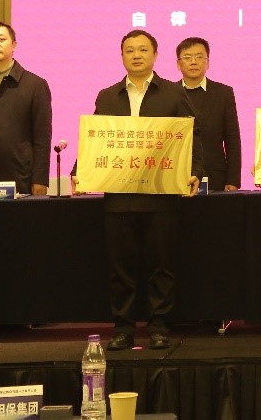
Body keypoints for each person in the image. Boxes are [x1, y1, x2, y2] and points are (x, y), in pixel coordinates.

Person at [73, 30, 202, 351]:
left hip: (161, 194)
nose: (136, 55)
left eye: (143, 50)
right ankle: (123, 328)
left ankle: (159, 325)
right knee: (121, 267)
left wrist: (195, 171)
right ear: (122, 56)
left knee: (162, 264)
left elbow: (192, 136)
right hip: (119, 197)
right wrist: (79, 172)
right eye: (129, 50)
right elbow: (95, 138)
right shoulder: (107, 96)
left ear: (155, 55)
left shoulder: (173, 93)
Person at [0, 21, 53, 196]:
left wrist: (40, 178)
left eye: (1, 39)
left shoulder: (35, 85)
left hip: (20, 178)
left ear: (14, 45)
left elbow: (42, 137)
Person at [175, 37, 241, 192]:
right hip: (178, 175)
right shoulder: (169, 93)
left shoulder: (223, 93)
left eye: (199, 57)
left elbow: (232, 139)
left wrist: (233, 179)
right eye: (187, 57)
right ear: (178, 64)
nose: (193, 62)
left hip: (216, 176)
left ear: (208, 62)